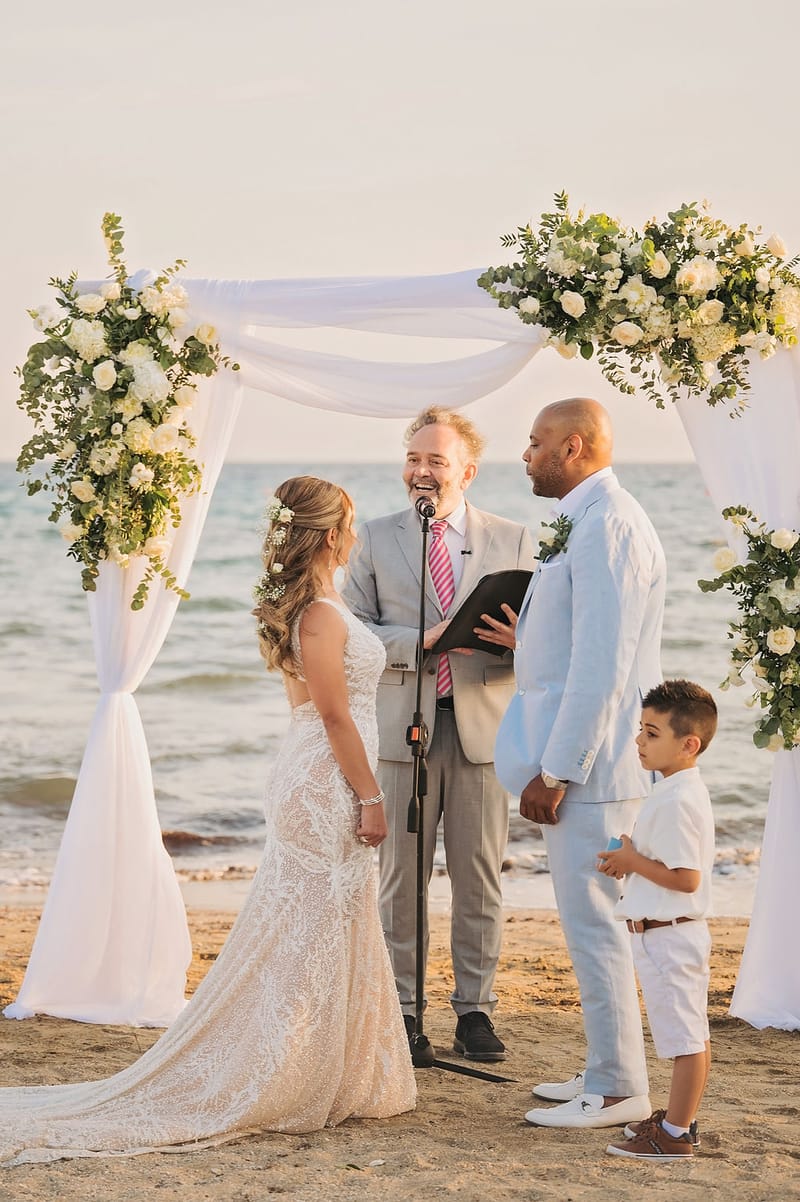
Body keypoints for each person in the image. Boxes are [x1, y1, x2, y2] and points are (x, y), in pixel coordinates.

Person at [0, 476, 415, 1167]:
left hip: (319, 770)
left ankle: (332, 1069)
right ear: (331, 533)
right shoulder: (316, 612)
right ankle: (277, 1074)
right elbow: (334, 715)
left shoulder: (325, 603)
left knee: (331, 926)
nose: (357, 531)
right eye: (350, 520)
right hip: (324, 781)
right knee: (306, 935)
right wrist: (371, 798)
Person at [480, 397, 666, 1127]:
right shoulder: (588, 522)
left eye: (535, 444)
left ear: (575, 447)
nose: (525, 456)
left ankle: (620, 1090)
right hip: (586, 763)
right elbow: (573, 643)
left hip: (594, 771)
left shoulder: (610, 527)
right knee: (589, 923)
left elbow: (603, 666)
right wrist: (521, 639)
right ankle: (604, 1066)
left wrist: (557, 771)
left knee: (595, 926)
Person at [343, 406, 536, 1061]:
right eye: (414, 459)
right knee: (402, 881)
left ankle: (475, 1012)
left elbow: (546, 636)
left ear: (467, 471)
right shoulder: (373, 537)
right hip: (405, 730)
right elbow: (351, 629)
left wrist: (522, 641)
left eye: (436, 461)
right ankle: (403, 1011)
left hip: (485, 730)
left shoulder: (514, 539)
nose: (421, 472)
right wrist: (415, 641)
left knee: (480, 879)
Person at [600, 679, 717, 1161]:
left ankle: (675, 1133)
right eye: (641, 730)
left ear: (688, 744)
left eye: (652, 733)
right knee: (686, 1033)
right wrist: (630, 856)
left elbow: (687, 878)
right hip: (666, 933)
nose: (639, 742)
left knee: (685, 1038)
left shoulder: (677, 798)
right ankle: (675, 1121)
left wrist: (631, 862)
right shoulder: (674, 789)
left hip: (671, 936)